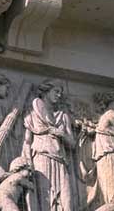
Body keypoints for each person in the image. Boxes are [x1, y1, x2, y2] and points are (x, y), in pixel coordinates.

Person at [20, 80, 79, 211]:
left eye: (61, 93)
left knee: (67, 203)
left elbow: (73, 144)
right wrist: (28, 163)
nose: (59, 95)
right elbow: (27, 141)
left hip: (60, 162)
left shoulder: (62, 116)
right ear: (46, 92)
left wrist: (61, 134)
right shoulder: (33, 113)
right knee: (45, 203)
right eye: (56, 91)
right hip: (42, 159)